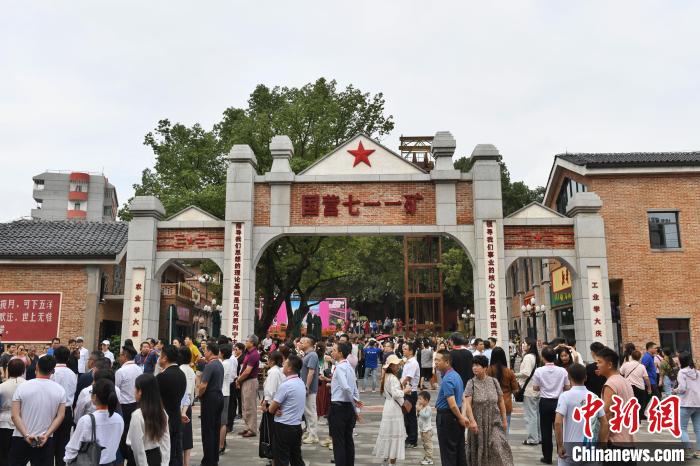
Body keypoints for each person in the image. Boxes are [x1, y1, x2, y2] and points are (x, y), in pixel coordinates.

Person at [8, 355, 65, 466]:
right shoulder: (60, 390)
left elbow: (14, 415)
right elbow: (60, 415)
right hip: (44, 439)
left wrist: (26, 435)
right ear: (52, 371)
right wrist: (47, 435)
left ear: (37, 367)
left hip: (21, 436)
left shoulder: (22, 387)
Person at [462, 355, 513, 465]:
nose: (474, 368)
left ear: (485, 368)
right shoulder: (471, 383)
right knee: (479, 450)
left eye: (477, 365)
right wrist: (472, 421)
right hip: (478, 423)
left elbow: (501, 401)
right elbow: (467, 404)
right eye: (473, 365)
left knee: (499, 446)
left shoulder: (494, 381)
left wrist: (504, 420)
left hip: (494, 422)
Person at [554, 364, 609, 465]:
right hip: (590, 450)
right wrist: (601, 445)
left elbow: (558, 422)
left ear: (569, 377)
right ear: (586, 377)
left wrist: (560, 445)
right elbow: (605, 423)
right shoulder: (594, 397)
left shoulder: (565, 396)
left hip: (570, 450)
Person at [64, 378, 123, 465]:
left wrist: (68, 460)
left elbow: (73, 448)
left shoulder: (86, 420)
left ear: (94, 397)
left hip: (90, 462)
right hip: (110, 462)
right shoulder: (119, 419)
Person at [532, 346, 570, 465]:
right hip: (559, 402)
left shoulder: (539, 371)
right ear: (555, 357)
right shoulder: (562, 371)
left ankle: (547, 457)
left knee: (545, 430)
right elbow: (567, 387)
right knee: (560, 429)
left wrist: (544, 387)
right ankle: (562, 454)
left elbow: (535, 387)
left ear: (543, 358)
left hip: (545, 402)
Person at [596, 346, 635, 460]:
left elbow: (607, 414)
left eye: (599, 362)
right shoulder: (624, 381)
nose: (597, 365)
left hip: (615, 441)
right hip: (628, 439)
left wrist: (602, 441)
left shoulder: (610, 384)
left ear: (609, 365)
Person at [268, 354, 307, 466]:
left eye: (285, 364)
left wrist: (275, 408)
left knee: (281, 459)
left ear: (289, 368)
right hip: (296, 426)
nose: (282, 365)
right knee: (296, 458)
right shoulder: (300, 382)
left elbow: (271, 409)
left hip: (283, 426)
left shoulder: (286, 385)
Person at [329, 341, 363, 466]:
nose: (332, 352)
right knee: (348, 439)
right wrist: (355, 408)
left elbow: (346, 387)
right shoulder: (349, 367)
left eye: (334, 350)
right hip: (348, 408)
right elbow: (354, 388)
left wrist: (354, 402)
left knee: (339, 442)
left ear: (340, 353)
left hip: (339, 407)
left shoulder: (340, 367)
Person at [434, 349, 467, 466]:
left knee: (448, 453)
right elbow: (463, 400)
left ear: (447, 362)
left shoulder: (448, 379)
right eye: (435, 360)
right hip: (456, 417)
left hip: (447, 418)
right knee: (459, 451)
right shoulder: (456, 375)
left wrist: (461, 418)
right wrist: (462, 416)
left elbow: (452, 404)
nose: (435, 363)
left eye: (438, 360)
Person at [128, 374, 170, 466]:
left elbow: (138, 447)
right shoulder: (162, 412)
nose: (134, 391)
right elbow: (165, 441)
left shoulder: (137, 415)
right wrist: (165, 463)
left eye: (135, 388)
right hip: (156, 457)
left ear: (140, 392)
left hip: (139, 459)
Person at [157, 344, 186, 466]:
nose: (159, 358)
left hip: (163, 420)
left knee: (165, 454)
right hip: (176, 417)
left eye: (160, 356)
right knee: (175, 451)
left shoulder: (162, 377)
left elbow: (156, 400)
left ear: (165, 358)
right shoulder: (181, 374)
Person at [50, 346, 78, 466]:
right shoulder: (72, 374)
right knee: (63, 444)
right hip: (67, 411)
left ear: (54, 357)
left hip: (53, 411)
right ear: (67, 358)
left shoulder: (52, 373)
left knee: (50, 442)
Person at [197, 341, 224, 466]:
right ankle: (214, 458)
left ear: (210, 352)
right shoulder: (219, 364)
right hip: (218, 396)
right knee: (215, 429)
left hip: (210, 398)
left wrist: (199, 394)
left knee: (207, 430)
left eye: (205, 350)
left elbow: (203, 385)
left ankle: (208, 460)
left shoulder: (210, 366)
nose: (204, 353)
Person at [116, 344, 143, 465]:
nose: (119, 357)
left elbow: (116, 390)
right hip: (136, 405)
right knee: (134, 432)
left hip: (124, 406)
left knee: (123, 434)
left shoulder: (121, 371)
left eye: (120, 355)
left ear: (125, 356)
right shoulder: (139, 369)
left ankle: (123, 456)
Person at [515, 337, 541, 446]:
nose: (522, 345)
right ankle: (538, 437)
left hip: (529, 390)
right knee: (536, 415)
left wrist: (514, 375)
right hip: (535, 389)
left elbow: (526, 373)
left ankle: (532, 438)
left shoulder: (528, 357)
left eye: (524, 343)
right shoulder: (535, 356)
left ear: (529, 345)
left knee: (530, 415)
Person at [487, 347, 519, 433]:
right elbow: (515, 390)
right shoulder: (509, 372)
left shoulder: (488, 371)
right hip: (506, 402)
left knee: (492, 430)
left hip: (491, 402)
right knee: (505, 428)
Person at [674, 352, 700, 457]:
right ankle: (699, 452)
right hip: (698, 403)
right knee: (698, 428)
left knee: (682, 428)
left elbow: (682, 388)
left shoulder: (681, 372)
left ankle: (687, 451)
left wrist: (675, 390)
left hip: (686, 403)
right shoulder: (697, 372)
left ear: (681, 360)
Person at [0, 359, 25, 466]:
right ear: (23, 370)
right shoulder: (27, 385)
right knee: (20, 456)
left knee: (4, 455)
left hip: (4, 422)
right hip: (23, 424)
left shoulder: (2, 386)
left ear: (8, 370)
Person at [235, 335, 260, 437]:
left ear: (252, 343)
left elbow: (247, 371)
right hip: (245, 381)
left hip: (250, 381)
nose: (246, 342)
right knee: (245, 406)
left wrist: (238, 380)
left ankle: (252, 429)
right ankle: (247, 427)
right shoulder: (248, 353)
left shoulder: (254, 354)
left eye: (247, 341)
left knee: (250, 406)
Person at [619, 349, 651, 421]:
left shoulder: (626, 365)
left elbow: (620, 373)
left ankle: (629, 418)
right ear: (640, 357)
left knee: (629, 403)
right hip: (640, 387)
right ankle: (637, 419)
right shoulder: (642, 366)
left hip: (628, 387)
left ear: (632, 356)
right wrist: (649, 388)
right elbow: (646, 378)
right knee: (639, 404)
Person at [298, 337, 320, 445]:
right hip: (306, 388)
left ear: (308, 343)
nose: (300, 344)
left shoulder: (312, 355)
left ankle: (313, 435)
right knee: (307, 412)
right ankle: (309, 432)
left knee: (311, 412)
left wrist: (307, 386)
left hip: (309, 389)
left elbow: (311, 372)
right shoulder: (307, 355)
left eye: (302, 342)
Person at [177, 347, 196, 466]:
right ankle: (187, 463)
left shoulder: (179, 370)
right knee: (187, 436)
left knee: (178, 436)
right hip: (188, 406)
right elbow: (191, 391)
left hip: (180, 406)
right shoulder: (191, 371)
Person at [401, 342, 420, 449]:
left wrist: (399, 386)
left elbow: (408, 378)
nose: (403, 350)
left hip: (410, 393)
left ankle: (413, 440)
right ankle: (409, 437)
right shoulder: (408, 362)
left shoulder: (413, 363)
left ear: (411, 351)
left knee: (411, 417)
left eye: (405, 349)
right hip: (406, 392)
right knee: (407, 417)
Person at [416, 391, 433, 466]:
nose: (419, 400)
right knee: (425, 445)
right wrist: (417, 411)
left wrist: (419, 410)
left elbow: (426, 416)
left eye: (420, 399)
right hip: (422, 430)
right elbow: (418, 416)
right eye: (418, 399)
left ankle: (429, 459)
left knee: (428, 445)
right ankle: (426, 457)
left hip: (427, 430)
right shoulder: (422, 407)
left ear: (426, 400)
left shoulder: (428, 408)